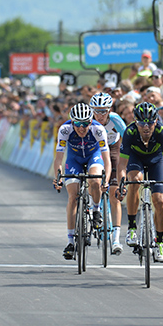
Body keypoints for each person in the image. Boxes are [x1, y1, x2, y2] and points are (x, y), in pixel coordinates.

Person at [115, 102, 163, 262]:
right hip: (135, 159)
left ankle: (160, 242)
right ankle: (131, 227)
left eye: (150, 123)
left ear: (156, 121)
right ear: (135, 122)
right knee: (134, 181)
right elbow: (122, 164)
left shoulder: (161, 131)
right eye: (142, 123)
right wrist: (121, 184)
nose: (146, 127)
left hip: (156, 161)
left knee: (159, 201)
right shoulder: (129, 132)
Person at [52, 103, 112, 260]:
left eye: (85, 123)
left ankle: (97, 209)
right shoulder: (65, 129)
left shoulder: (98, 130)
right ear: (72, 122)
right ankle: (70, 242)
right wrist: (57, 176)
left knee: (95, 181)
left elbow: (107, 159)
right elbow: (58, 158)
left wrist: (106, 179)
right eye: (78, 123)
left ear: (91, 121)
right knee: (72, 197)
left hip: (94, 156)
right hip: (74, 160)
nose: (82, 127)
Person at [89, 92, 127, 255]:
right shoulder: (88, 119)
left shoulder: (115, 119)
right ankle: (93, 204)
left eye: (104, 111)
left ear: (109, 110)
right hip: (94, 149)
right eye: (96, 111)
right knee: (94, 180)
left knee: (114, 194)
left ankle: (116, 239)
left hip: (113, 148)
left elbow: (128, 138)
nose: (100, 115)